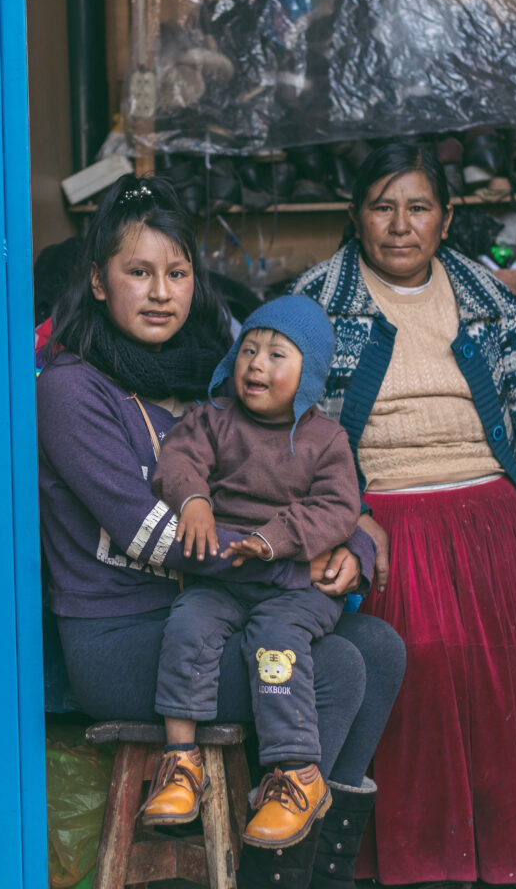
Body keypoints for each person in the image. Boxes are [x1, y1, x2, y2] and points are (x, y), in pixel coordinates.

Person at [37, 173, 406, 889]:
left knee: (381, 650)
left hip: (225, 602)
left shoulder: (211, 376)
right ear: (98, 281)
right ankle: (275, 879)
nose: (160, 291)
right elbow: (157, 537)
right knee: (333, 669)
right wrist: (299, 559)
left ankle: (311, 874)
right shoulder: (70, 390)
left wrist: (353, 542)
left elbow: (299, 476)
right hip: (125, 635)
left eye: (176, 272)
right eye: (137, 272)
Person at [290, 140, 516, 886]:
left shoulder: (487, 298)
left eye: (417, 207)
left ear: (446, 217)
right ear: (355, 218)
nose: (400, 225)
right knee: (418, 671)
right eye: (381, 207)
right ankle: (420, 863)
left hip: (490, 510)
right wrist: (337, 518)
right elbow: (285, 427)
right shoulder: (314, 301)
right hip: (377, 519)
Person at [142, 295, 376, 852]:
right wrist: (194, 499)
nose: (255, 364)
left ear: (311, 375)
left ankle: (295, 774)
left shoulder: (326, 440)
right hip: (223, 580)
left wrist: (275, 539)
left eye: (276, 355)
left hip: (294, 585)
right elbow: (177, 460)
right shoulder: (214, 417)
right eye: (248, 349)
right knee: (187, 623)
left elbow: (338, 509)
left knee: (276, 648)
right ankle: (180, 763)